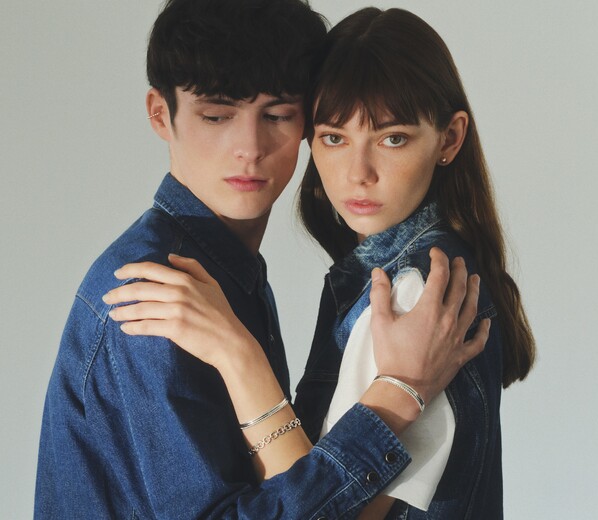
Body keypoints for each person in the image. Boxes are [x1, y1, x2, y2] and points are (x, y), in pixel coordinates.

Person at [35, 1, 487, 519]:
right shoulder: (154, 298)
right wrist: (401, 393)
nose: (249, 147)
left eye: (276, 115)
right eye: (216, 116)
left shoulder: (229, 277)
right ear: (161, 114)